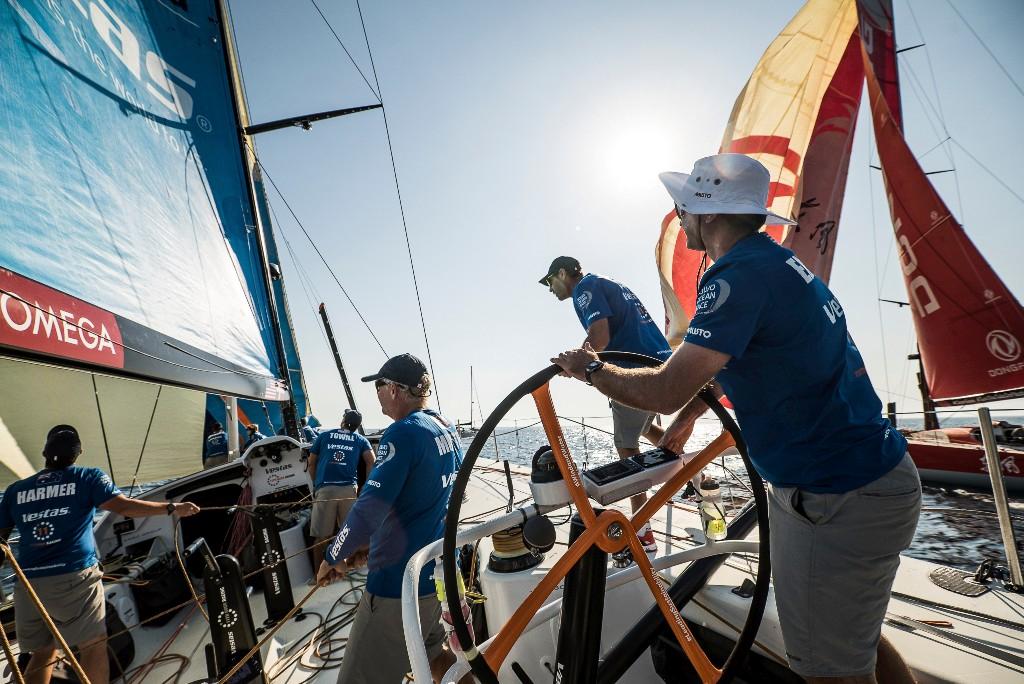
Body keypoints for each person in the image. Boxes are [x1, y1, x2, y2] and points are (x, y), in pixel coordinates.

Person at [551, 153, 920, 684]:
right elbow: (732, 364)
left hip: (835, 495)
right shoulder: (778, 265)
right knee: (854, 636)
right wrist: (685, 424)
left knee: (830, 670)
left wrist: (589, 370)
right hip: (870, 480)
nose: (680, 219)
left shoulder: (736, 277)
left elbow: (662, 388)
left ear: (707, 214)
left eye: (684, 209)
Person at [0, 425, 200, 684]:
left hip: (27, 585)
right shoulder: (87, 477)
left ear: (45, 453)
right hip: (73, 579)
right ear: (78, 453)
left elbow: (0, 538)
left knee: (41, 653)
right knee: (93, 646)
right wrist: (174, 507)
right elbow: (125, 507)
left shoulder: (16, 490)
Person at [316, 353, 461, 684]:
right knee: (436, 656)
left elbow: (368, 510)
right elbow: (438, 496)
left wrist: (333, 556)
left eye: (379, 386)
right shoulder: (446, 428)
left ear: (395, 390)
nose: (377, 393)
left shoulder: (401, 434)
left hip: (398, 585)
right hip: (438, 575)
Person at [540, 255, 672, 553]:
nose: (550, 289)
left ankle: (643, 532)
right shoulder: (605, 281)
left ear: (563, 273)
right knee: (646, 427)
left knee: (626, 448)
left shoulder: (585, 288)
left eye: (550, 281)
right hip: (659, 364)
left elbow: (599, 338)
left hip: (633, 372)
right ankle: (700, 480)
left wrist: (575, 363)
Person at [306, 409, 374, 570]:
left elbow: (311, 463)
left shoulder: (324, 436)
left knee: (321, 537)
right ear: (357, 426)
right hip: (349, 490)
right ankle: (349, 568)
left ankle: (319, 576)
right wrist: (366, 485)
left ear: (342, 421)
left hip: (325, 490)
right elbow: (372, 461)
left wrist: (316, 484)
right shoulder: (360, 439)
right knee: (350, 533)